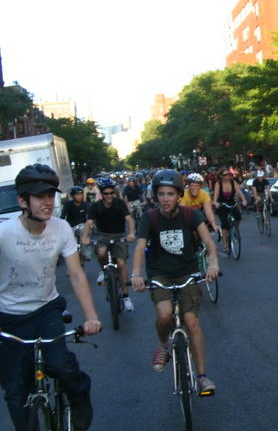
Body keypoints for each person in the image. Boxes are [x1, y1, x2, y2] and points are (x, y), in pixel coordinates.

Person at [0, 164, 101, 431]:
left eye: (50, 195)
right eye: (39, 196)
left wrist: (91, 316)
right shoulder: (4, 233)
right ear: (23, 201)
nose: (47, 202)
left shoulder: (61, 228)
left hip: (46, 309)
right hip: (8, 316)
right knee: (16, 390)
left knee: (60, 364)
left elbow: (76, 275)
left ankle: (80, 398)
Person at [131, 169, 219, 396]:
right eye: (161, 194)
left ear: (179, 195)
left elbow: (208, 241)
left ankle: (202, 377)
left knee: (191, 322)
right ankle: (162, 347)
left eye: (170, 194)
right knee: (164, 314)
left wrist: (213, 264)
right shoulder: (149, 218)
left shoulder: (190, 215)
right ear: (155, 195)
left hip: (187, 273)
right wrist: (136, 273)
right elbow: (140, 246)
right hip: (160, 274)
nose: (165, 198)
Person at [81, 177, 136, 311]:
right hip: (103, 235)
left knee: (121, 264)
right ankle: (103, 270)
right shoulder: (95, 206)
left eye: (111, 193)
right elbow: (89, 223)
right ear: (101, 193)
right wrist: (85, 237)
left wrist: (131, 233)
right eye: (106, 193)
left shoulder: (120, 204)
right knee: (101, 253)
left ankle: (125, 296)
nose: (109, 196)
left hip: (119, 235)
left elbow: (129, 220)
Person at [212, 167, 247, 254]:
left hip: (232, 203)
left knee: (238, 216)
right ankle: (225, 245)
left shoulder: (233, 182)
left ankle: (235, 229)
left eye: (229, 174)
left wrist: (244, 200)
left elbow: (239, 192)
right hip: (222, 205)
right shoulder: (218, 184)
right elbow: (215, 197)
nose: (228, 176)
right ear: (221, 176)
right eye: (226, 175)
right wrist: (215, 203)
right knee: (225, 225)